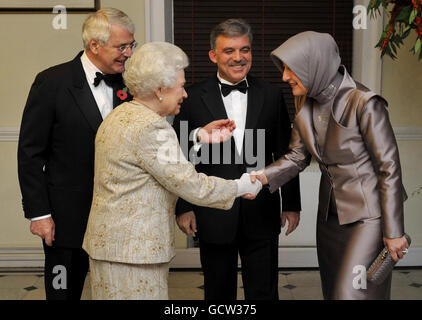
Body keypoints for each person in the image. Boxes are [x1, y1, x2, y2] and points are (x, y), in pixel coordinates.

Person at [82, 41, 262, 300]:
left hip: (109, 247)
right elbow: (192, 185)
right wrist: (244, 185)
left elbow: (153, 164)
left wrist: (198, 137)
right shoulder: (152, 128)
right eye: (180, 86)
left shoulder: (119, 116)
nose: (185, 94)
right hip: (135, 254)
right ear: (159, 90)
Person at [250, 31, 409, 300]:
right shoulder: (305, 103)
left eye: (290, 68)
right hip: (329, 220)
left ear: (315, 65)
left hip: (367, 218)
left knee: (353, 293)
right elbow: (297, 157)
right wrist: (257, 178)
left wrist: (394, 231)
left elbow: (389, 168)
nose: (285, 77)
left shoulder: (365, 104)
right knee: (334, 292)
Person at [172, 18, 302, 300]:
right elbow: (181, 155)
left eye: (245, 49)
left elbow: (286, 154)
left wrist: (291, 204)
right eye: (229, 50)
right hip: (213, 211)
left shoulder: (271, 94)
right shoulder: (191, 97)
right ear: (213, 55)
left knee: (264, 290)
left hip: (263, 209)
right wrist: (183, 206)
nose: (238, 57)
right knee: (218, 292)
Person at [17, 8, 136, 300]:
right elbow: (31, 154)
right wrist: (40, 214)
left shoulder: (132, 85)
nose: (129, 53)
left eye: (132, 45)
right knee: (63, 293)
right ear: (95, 45)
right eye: (122, 46)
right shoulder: (52, 82)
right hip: (65, 221)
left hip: (118, 218)